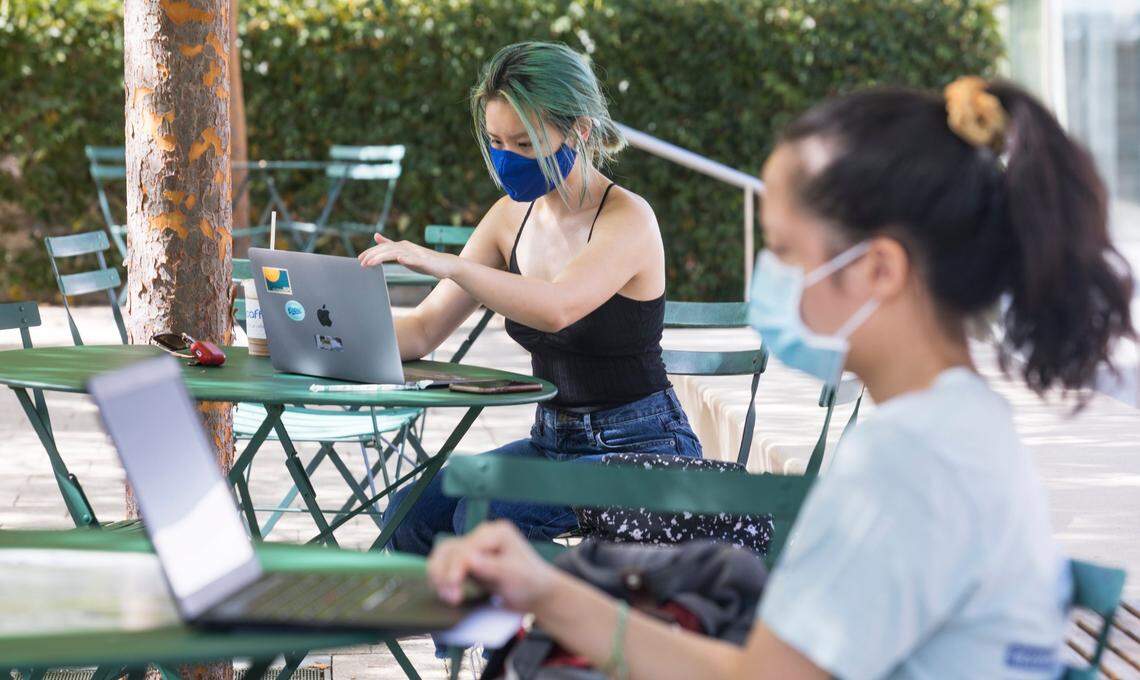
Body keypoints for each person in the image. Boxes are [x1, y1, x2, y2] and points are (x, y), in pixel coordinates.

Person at [425, 76, 1135, 679]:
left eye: (785, 250)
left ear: (879, 270)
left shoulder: (906, 461)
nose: (770, 278)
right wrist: (551, 592)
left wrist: (553, 596)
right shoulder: (963, 424)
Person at [359, 41, 701, 556]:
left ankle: (513, 636)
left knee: (490, 515)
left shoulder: (627, 219)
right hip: (552, 442)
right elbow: (424, 329)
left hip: (644, 448)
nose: (506, 158)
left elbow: (557, 305)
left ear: (579, 130)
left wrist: (447, 262)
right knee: (412, 512)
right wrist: (326, 331)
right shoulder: (507, 219)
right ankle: (457, 638)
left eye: (524, 143)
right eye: (496, 141)